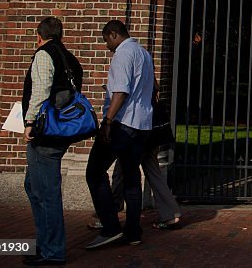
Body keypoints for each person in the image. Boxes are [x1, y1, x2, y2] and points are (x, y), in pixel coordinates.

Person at [85, 20, 156, 249]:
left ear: (114, 34)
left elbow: (121, 91)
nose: (107, 46)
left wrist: (107, 122)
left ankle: (110, 227)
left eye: (107, 40)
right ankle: (133, 231)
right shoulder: (144, 54)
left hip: (122, 124)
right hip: (142, 125)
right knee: (131, 177)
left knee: (94, 171)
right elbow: (153, 87)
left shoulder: (123, 54)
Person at [21, 16, 84, 266]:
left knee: (46, 192)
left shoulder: (44, 54)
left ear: (39, 35)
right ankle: (45, 243)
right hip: (61, 130)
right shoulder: (70, 58)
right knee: (33, 186)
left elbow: (41, 89)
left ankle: (52, 251)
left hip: (45, 131)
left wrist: (29, 121)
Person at [87, 81, 181, 232]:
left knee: (122, 171)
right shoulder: (146, 61)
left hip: (134, 126)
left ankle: (109, 214)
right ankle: (170, 213)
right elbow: (155, 87)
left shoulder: (134, 61)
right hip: (149, 127)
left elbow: (124, 92)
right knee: (149, 169)